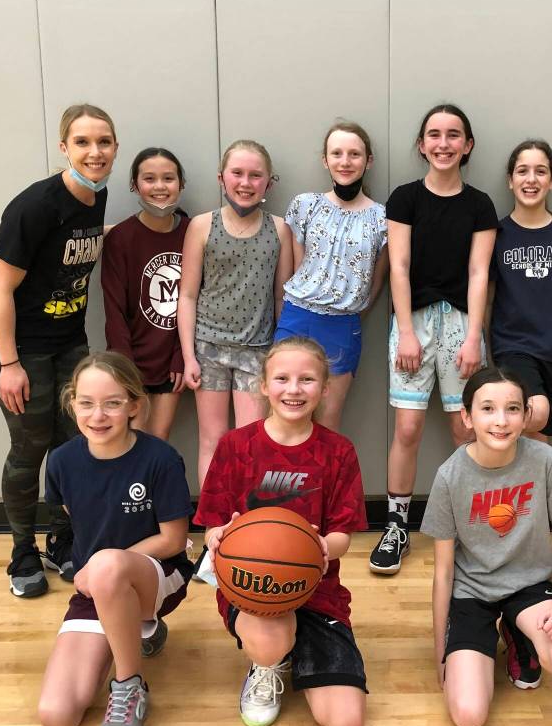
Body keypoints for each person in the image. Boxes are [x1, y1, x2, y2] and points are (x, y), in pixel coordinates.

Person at [196, 336, 368, 726]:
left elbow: (343, 534)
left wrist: (321, 546)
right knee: (270, 642)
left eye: (307, 379)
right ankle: (267, 663)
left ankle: (298, 644)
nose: (294, 389)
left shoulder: (339, 452)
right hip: (253, 588)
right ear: (263, 385)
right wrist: (220, 536)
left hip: (316, 586)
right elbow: (211, 529)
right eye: (283, 378)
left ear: (324, 388)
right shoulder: (236, 446)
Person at [0, 103, 117, 598]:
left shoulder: (95, 201)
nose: (95, 151)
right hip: (21, 350)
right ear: (65, 147)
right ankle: (22, 550)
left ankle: (62, 539)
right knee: (29, 446)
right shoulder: (34, 206)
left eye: (103, 142)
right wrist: (10, 364)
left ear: (114, 148)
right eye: (83, 142)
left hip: (70, 344)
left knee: (72, 446)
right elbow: (0, 291)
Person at [36, 351, 194, 726]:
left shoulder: (160, 459)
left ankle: (129, 684)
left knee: (106, 565)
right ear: (72, 403)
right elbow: (78, 519)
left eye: (112, 403)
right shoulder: (60, 461)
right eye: (86, 403)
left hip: (158, 577)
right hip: (99, 585)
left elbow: (174, 540)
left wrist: (110, 564)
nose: (98, 415)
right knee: (58, 714)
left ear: (134, 406)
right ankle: (135, 629)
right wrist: (102, 569)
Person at [421, 366, 552, 726]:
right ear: (467, 417)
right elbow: (444, 571)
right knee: (468, 716)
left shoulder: (544, 460)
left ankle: (518, 632)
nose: (501, 420)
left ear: (526, 415)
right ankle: (495, 633)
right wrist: (440, 653)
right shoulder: (450, 476)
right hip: (472, 591)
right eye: (488, 408)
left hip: (529, 585)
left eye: (513, 409)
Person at [374, 103, 498, 575]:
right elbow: (399, 268)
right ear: (422, 145)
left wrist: (473, 337)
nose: (443, 143)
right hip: (415, 323)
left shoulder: (480, 204)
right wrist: (405, 331)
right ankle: (397, 526)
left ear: (467, 145)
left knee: (465, 430)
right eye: (434, 135)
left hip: (463, 327)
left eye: (453, 135)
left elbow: (478, 272)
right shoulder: (405, 198)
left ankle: (471, 524)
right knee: (407, 429)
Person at [177, 140, 293, 489]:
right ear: (221, 178)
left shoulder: (279, 229)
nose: (245, 182)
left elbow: (281, 296)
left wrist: (280, 356)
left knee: (251, 442)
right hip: (207, 349)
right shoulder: (201, 225)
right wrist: (188, 357)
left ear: (269, 182)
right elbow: (187, 294)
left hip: (256, 350)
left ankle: (246, 525)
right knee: (212, 440)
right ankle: (214, 526)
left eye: (255, 175)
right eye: (237, 173)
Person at [276, 121, 389, 431]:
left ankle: (321, 482)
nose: (345, 161)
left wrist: (351, 312)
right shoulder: (305, 205)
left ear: (368, 161)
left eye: (354, 154)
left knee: (327, 420)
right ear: (325, 160)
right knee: (284, 415)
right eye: (337, 153)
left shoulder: (382, 218)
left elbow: (377, 279)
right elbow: (296, 267)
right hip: (297, 318)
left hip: (342, 325)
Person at [488, 139, 552, 441]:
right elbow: (487, 298)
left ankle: (532, 489)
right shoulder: (496, 235)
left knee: (541, 438)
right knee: (535, 411)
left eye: (540, 171)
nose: (531, 179)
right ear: (510, 180)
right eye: (522, 171)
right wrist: (484, 350)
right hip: (513, 346)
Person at [102, 147, 190, 439]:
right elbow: (113, 309)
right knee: (131, 438)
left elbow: (197, 302)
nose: (160, 187)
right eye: (149, 179)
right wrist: (125, 368)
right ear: (134, 185)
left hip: (172, 359)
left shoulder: (193, 232)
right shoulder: (121, 238)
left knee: (158, 440)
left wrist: (181, 356)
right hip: (133, 358)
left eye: (168, 178)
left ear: (181, 184)